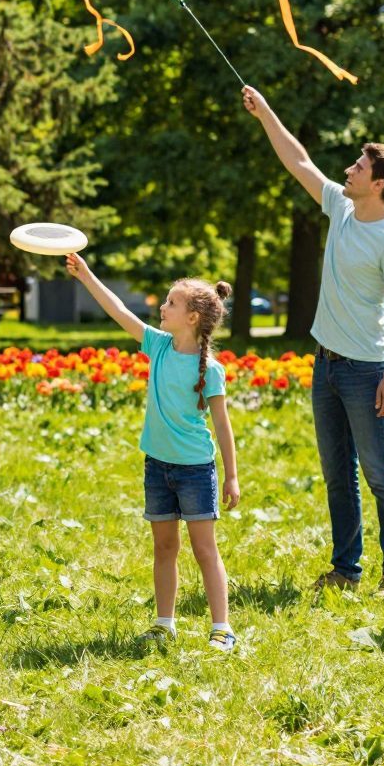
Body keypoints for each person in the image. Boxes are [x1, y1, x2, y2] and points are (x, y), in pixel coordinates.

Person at [243, 86, 384, 599]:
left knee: (380, 474)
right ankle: (346, 570)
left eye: (359, 167)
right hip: (326, 365)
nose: (348, 170)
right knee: (338, 475)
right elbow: (298, 160)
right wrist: (265, 113)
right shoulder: (341, 206)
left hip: (367, 371)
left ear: (378, 184)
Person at [66, 253, 240, 651]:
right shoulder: (158, 346)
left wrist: (231, 476)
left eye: (171, 303)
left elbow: (223, 425)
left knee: (204, 550)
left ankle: (222, 627)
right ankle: (164, 624)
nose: (162, 307)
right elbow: (118, 310)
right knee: (164, 547)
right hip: (157, 467)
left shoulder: (211, 369)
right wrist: (86, 275)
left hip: (196, 471)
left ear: (192, 317)